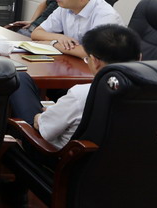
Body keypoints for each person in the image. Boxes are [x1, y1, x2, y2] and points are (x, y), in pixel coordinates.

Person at [11, 24, 141, 149]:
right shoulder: (150, 93)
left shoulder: (82, 94)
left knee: (20, 79)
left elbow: (45, 130)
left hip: (57, 157)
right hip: (127, 161)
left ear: (95, 61)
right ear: (139, 58)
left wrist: (40, 117)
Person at [31, 0, 123, 58]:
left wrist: (53, 44)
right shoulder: (64, 8)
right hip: (76, 62)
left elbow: (93, 53)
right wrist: (59, 37)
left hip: (107, 66)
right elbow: (36, 33)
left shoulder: (106, 15)